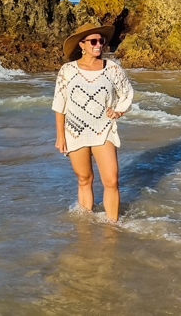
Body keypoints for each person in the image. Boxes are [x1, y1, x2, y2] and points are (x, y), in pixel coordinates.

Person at [52, 22, 134, 221]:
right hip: (75, 130)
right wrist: (60, 136)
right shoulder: (67, 70)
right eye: (94, 41)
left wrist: (118, 112)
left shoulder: (112, 68)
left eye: (102, 41)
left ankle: (113, 227)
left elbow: (127, 93)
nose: (99, 45)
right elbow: (59, 103)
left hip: (103, 129)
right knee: (84, 179)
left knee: (112, 180)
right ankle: (85, 225)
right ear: (82, 44)